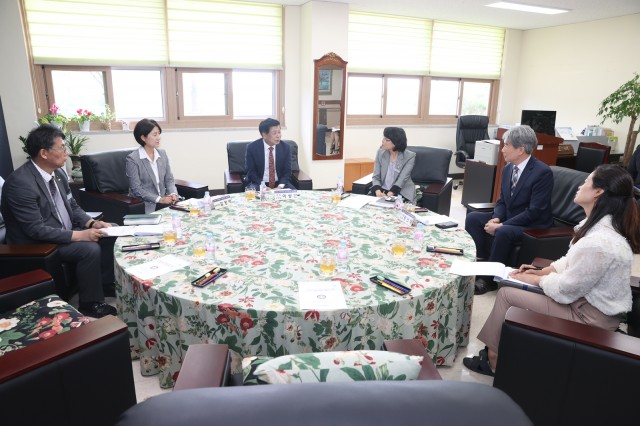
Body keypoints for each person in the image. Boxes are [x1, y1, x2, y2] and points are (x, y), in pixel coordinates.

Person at [464, 164, 640, 377]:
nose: (579, 185)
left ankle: (493, 360)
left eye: (586, 181)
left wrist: (535, 280)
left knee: (507, 294)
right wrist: (541, 272)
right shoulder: (598, 228)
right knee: (514, 282)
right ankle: (496, 351)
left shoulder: (600, 241)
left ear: (598, 192)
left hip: (588, 317)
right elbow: (571, 262)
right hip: (583, 303)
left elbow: (566, 290)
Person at [1, 124, 117, 318]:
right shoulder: (20, 184)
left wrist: (92, 224)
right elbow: (36, 230)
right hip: (38, 244)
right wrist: (80, 235)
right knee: (88, 248)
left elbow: (72, 206)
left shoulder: (59, 174)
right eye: (62, 147)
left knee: (108, 232)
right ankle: (90, 304)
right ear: (44, 153)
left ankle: (103, 287)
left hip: (62, 231)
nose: (66, 152)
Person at [465, 125, 553, 295]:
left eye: (506, 145)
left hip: (533, 224)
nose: (502, 150)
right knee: (474, 218)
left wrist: (502, 225)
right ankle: (478, 265)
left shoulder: (542, 173)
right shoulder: (507, 169)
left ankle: (488, 280)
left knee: (504, 232)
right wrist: (497, 218)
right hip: (510, 218)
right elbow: (502, 201)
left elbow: (534, 211)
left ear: (520, 149)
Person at [126, 118, 179, 213]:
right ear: (143, 138)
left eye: (159, 133)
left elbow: (169, 179)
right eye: (155, 134)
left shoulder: (162, 154)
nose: (158, 137)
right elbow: (136, 189)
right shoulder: (133, 159)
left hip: (165, 203)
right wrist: (160, 199)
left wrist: (173, 193)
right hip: (146, 206)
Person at [245, 118, 295, 190]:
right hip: (259, 183)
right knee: (254, 195)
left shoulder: (285, 148)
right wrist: (263, 186)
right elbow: (251, 172)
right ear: (264, 134)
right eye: (274, 133)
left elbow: (287, 171)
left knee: (293, 195)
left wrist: (280, 187)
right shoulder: (252, 148)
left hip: (280, 183)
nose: (278, 136)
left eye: (279, 132)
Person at [370, 127, 416, 203]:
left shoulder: (409, 156)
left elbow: (402, 180)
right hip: (382, 191)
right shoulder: (380, 153)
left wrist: (389, 195)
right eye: (383, 138)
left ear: (396, 143)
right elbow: (376, 176)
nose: (383, 141)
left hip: (401, 191)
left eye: (387, 140)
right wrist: (378, 191)